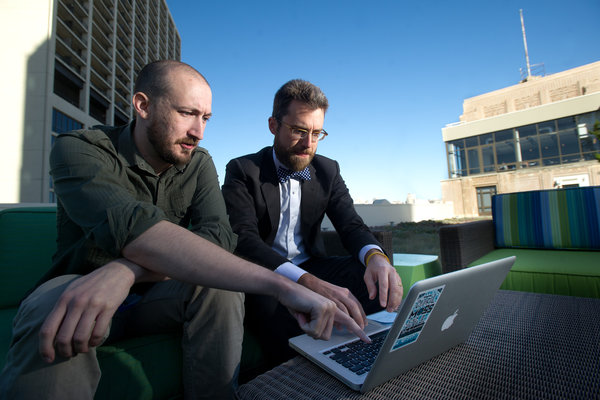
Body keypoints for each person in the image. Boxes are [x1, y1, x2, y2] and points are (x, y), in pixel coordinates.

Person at [0, 62, 367, 400]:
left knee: (221, 291)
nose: (199, 132)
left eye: (206, 117)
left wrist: (126, 270)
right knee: (58, 311)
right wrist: (288, 286)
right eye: (187, 113)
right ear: (143, 105)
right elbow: (135, 228)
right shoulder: (78, 149)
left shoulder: (199, 163)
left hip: (158, 291)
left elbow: (220, 238)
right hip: (82, 281)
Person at [221, 79, 403, 368]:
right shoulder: (243, 170)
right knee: (273, 306)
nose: (308, 144)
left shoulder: (327, 170)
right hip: (263, 275)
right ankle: (296, 378)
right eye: (298, 131)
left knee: (369, 272)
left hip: (311, 264)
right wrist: (308, 284)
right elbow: (243, 239)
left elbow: (351, 225)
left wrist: (377, 258)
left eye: (317, 133)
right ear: (273, 125)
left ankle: (371, 355)